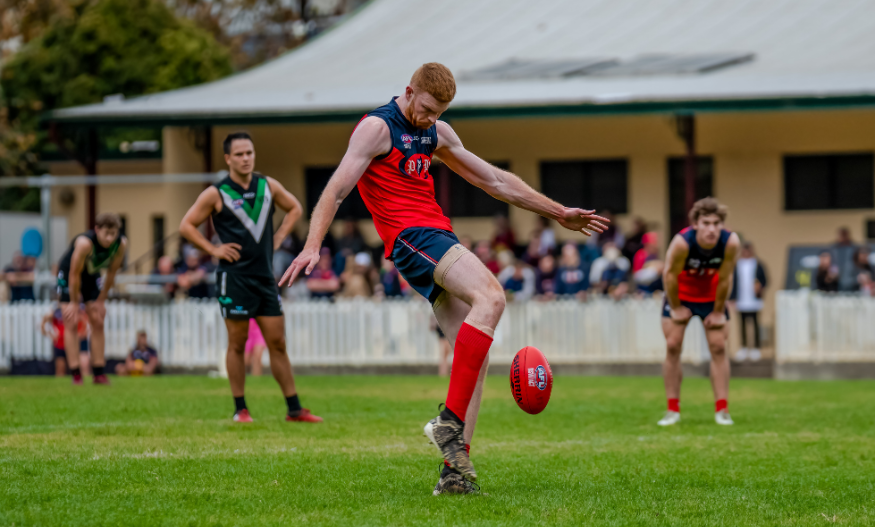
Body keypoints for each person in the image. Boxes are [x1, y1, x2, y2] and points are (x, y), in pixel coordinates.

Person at [279, 63, 607, 494]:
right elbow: (337, 189)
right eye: (427, 109)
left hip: (436, 236)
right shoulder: (377, 128)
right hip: (413, 237)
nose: (431, 118)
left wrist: (558, 212)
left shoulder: (437, 132)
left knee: (476, 351)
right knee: (492, 297)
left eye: (439, 112)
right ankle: (448, 423)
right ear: (409, 91)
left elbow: (494, 181)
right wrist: (312, 245)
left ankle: (454, 473)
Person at [179, 131, 321, 424]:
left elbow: (295, 208)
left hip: (265, 278)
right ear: (228, 158)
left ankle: (294, 409)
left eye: (249, 153)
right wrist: (213, 249)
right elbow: (186, 226)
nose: (246, 158)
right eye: (239, 154)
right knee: (237, 343)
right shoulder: (216, 193)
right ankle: (240, 409)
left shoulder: (267, 185)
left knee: (277, 342)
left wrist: (279, 236)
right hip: (234, 278)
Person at [660, 197, 739, 427]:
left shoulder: (730, 242)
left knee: (718, 346)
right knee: (673, 345)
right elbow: (669, 275)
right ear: (695, 224)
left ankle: (722, 410)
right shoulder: (682, 243)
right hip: (681, 294)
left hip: (712, 296)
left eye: (716, 223)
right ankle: (672, 410)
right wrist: (676, 307)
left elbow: (725, 278)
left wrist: (718, 311)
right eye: (706, 223)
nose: (711, 229)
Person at [56, 213, 127, 385]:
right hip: (69, 273)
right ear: (97, 230)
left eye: (113, 234)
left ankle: (98, 373)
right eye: (106, 233)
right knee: (71, 320)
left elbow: (112, 272)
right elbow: (74, 274)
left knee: (98, 320)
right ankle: (76, 374)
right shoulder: (85, 244)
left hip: (91, 273)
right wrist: (74, 302)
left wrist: (102, 300)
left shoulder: (120, 244)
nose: (110, 238)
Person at [731, 242, 768, 362]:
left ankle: (756, 348)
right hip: (741, 300)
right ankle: (743, 347)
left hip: (754, 300)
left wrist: (759, 287)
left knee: (755, 323)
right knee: (742, 324)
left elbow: (765, 280)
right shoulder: (737, 265)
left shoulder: (757, 264)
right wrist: (733, 298)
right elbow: (734, 283)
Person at [42, 305, 89, 377]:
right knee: (60, 368)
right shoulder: (56, 312)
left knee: (83, 365)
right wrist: (50, 335)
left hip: (75, 344)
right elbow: (44, 323)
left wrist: (80, 334)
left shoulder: (78, 310)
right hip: (60, 344)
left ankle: (80, 379)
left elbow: (85, 323)